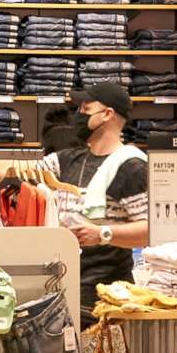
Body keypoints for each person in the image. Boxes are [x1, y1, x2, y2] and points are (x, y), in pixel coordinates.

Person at [44, 80, 149, 317]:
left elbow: (151, 230)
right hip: (65, 288)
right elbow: (19, 171)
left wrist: (102, 234)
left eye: (85, 108)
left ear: (107, 114)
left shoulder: (131, 166)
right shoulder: (69, 159)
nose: (78, 114)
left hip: (106, 297)